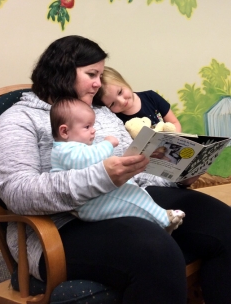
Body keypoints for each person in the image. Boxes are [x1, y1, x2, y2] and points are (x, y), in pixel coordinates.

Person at [0, 35, 231, 304]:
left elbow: (136, 170)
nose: (98, 83)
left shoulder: (101, 113)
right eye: (91, 73)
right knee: (155, 250)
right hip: (60, 224)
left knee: (220, 219)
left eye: (100, 75)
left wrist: (179, 177)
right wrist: (101, 177)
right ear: (62, 70)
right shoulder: (18, 120)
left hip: (126, 198)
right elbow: (18, 193)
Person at [50, 96, 184, 232]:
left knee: (137, 193)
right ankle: (163, 219)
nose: (93, 130)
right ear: (64, 131)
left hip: (99, 195)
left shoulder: (75, 146)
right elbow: (86, 159)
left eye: (92, 125)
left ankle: (160, 219)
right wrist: (107, 144)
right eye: (87, 127)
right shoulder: (64, 151)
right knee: (133, 198)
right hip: (90, 203)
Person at [95, 66, 182, 132]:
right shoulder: (115, 117)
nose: (121, 101)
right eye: (112, 104)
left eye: (120, 92)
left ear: (123, 81)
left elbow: (174, 123)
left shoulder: (151, 97)